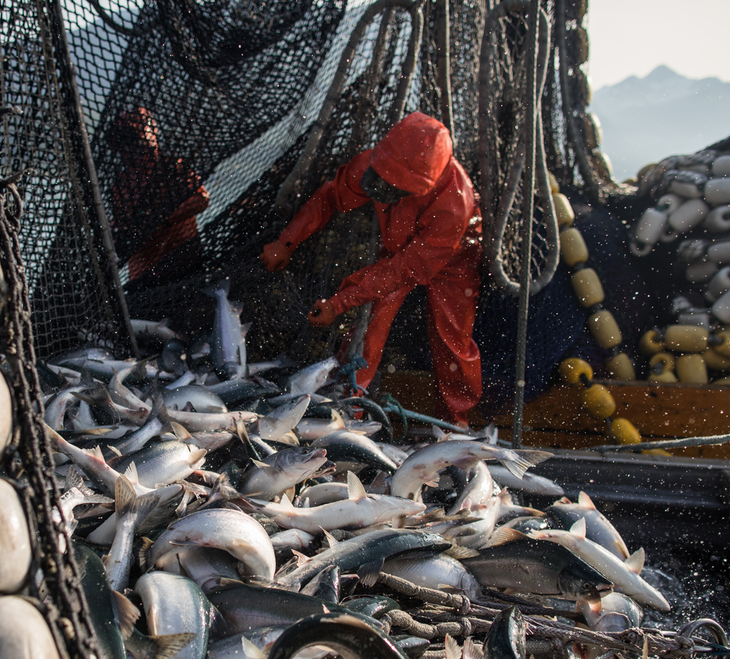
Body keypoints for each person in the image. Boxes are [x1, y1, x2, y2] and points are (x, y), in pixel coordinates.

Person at [260, 112, 483, 427]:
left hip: (454, 258)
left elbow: (401, 271)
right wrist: (287, 242)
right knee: (371, 327)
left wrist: (338, 303)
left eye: (394, 185)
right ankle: (351, 402)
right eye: (382, 177)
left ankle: (455, 423)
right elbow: (331, 196)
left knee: (453, 339)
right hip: (399, 250)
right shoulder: (374, 166)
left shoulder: (453, 207)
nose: (381, 187)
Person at [107, 107, 209, 285]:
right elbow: (118, 226)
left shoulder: (173, 168)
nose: (130, 149)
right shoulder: (121, 186)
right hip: (144, 276)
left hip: (185, 263)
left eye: (134, 141)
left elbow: (201, 199)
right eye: (125, 142)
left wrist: (164, 221)